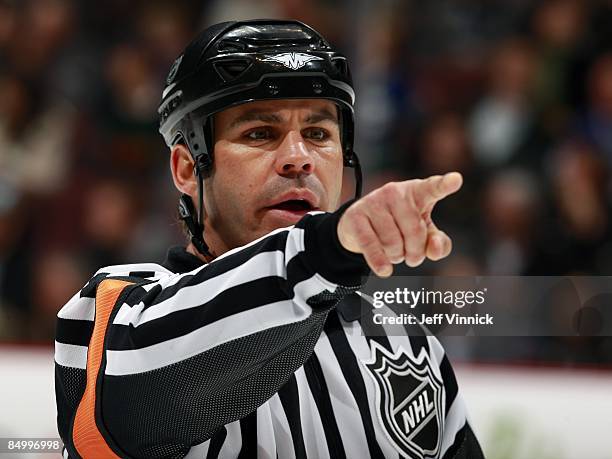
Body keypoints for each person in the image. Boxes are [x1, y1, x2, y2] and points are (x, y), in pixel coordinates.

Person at [54, 20, 484, 459]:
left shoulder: (405, 344)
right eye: (259, 134)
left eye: (318, 134)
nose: (298, 159)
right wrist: (325, 250)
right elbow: (130, 411)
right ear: (187, 169)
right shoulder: (112, 313)